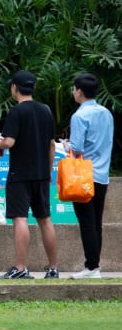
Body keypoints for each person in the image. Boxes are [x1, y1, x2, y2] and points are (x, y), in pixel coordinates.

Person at [0, 70, 58, 279]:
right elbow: (51, 146)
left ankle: (20, 268)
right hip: (41, 175)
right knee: (45, 219)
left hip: (20, 174)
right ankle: (53, 268)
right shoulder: (46, 110)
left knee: (20, 219)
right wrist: (47, 174)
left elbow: (9, 142)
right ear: (34, 88)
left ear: (14, 88)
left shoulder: (16, 112)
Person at [64, 73, 113, 279]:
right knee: (96, 222)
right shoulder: (106, 113)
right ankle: (95, 265)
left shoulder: (79, 116)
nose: (73, 92)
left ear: (80, 92)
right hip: (102, 175)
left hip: (83, 176)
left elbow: (76, 147)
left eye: (74, 89)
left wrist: (65, 145)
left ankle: (91, 267)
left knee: (86, 222)